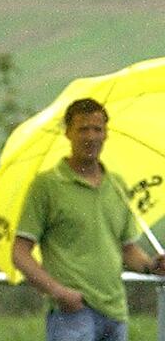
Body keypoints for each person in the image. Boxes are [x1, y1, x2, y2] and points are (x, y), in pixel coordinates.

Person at [12, 98, 165, 341]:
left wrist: (153, 266)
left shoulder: (116, 185)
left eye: (97, 129)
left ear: (106, 134)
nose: (91, 136)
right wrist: (59, 293)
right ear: (68, 133)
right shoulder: (47, 186)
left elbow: (128, 250)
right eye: (83, 129)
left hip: (115, 311)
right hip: (71, 313)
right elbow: (20, 252)